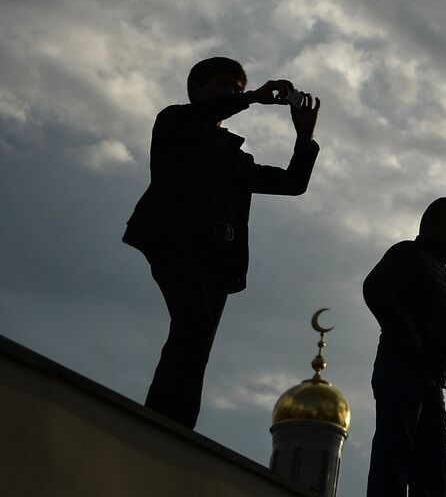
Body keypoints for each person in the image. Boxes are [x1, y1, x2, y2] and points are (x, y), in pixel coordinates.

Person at [123, 56, 320, 429]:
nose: (233, 93)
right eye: (224, 85)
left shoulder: (234, 157)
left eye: (237, 89)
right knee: (192, 326)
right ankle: (162, 421)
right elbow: (203, 118)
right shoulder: (175, 120)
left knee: (196, 341)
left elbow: (292, 184)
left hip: (216, 258)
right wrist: (255, 97)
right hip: (174, 241)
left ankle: (178, 425)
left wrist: (304, 137)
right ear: (197, 89)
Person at [364, 197, 446, 497]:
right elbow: (374, 289)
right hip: (402, 366)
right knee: (397, 445)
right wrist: (405, 333)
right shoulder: (408, 254)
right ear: (430, 220)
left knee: (431, 462)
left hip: (431, 378)